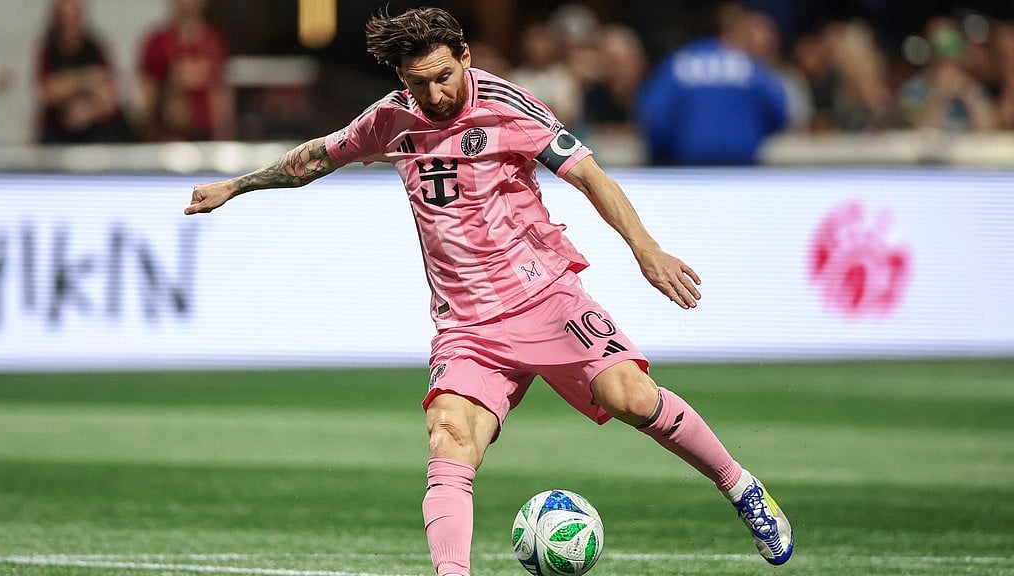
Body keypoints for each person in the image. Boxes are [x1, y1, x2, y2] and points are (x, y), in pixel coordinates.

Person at [184, 7, 794, 576]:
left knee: (633, 397)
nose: (435, 94)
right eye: (419, 82)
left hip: (546, 297)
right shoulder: (392, 119)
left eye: (444, 77)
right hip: (468, 326)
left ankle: (741, 488)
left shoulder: (508, 107)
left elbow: (589, 176)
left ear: (466, 57)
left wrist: (645, 249)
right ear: (402, 77)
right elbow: (320, 156)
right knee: (449, 434)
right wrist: (237, 186)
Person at [637, 2, 789, 165]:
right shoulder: (748, 65)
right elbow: (781, 112)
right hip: (743, 172)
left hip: (687, 172)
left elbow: (653, 119)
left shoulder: (676, 64)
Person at [34, 0, 131, 143]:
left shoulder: (95, 48)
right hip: (57, 135)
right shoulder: (49, 50)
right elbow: (48, 92)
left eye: (74, 16)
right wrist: (85, 79)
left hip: (96, 134)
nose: (70, 23)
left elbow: (111, 96)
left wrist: (87, 112)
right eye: (65, 17)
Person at [137, 0, 234, 141]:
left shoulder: (216, 39)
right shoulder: (157, 42)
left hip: (207, 132)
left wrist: (226, 133)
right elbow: (147, 92)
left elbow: (222, 92)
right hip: (170, 133)